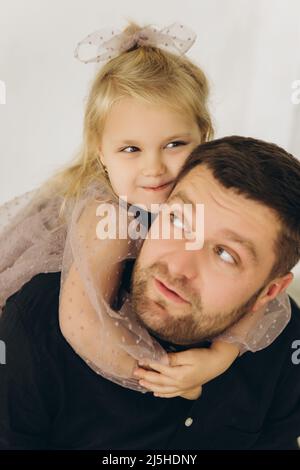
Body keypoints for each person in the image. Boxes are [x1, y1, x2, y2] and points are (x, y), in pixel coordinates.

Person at [0, 21, 287, 399]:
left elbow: (258, 290)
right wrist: (163, 377)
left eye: (173, 144)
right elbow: (81, 323)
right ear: (101, 153)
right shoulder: (110, 219)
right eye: (131, 149)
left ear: (203, 138)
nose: (154, 168)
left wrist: (221, 355)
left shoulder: (204, 197)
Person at [0, 136, 299, 450]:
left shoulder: (285, 349)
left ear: (270, 291)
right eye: (178, 221)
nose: (178, 266)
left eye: (225, 254)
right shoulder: (38, 321)